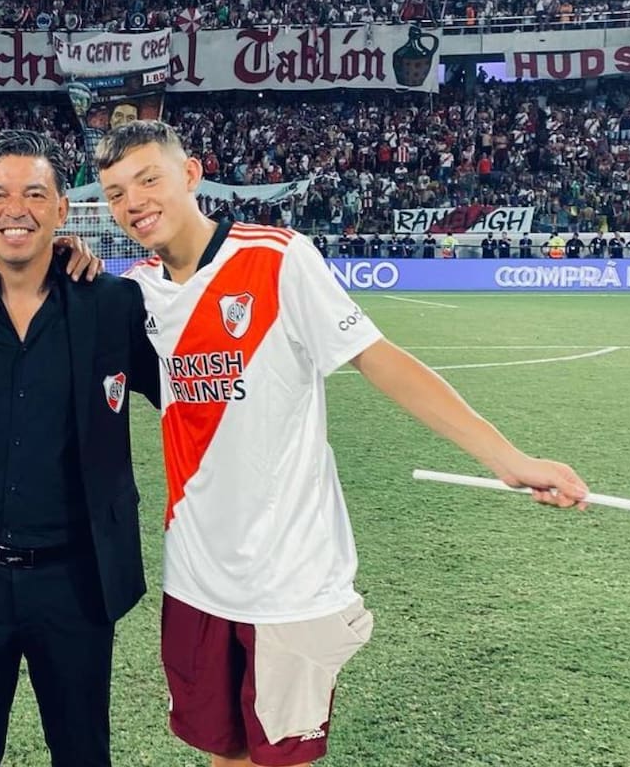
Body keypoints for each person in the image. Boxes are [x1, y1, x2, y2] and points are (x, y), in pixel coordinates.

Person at [94, 121, 589, 767]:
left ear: (190, 176)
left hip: (288, 576)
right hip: (195, 573)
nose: (133, 201)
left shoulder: (276, 258)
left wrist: (510, 460)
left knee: (281, 759)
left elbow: (380, 361)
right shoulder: (135, 292)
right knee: (225, 752)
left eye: (148, 179)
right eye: (114, 192)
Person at [0, 129, 159, 767]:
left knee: (83, 752)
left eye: (35, 194)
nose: (17, 208)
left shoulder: (114, 303)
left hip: (77, 578)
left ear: (63, 211)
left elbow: (195, 390)